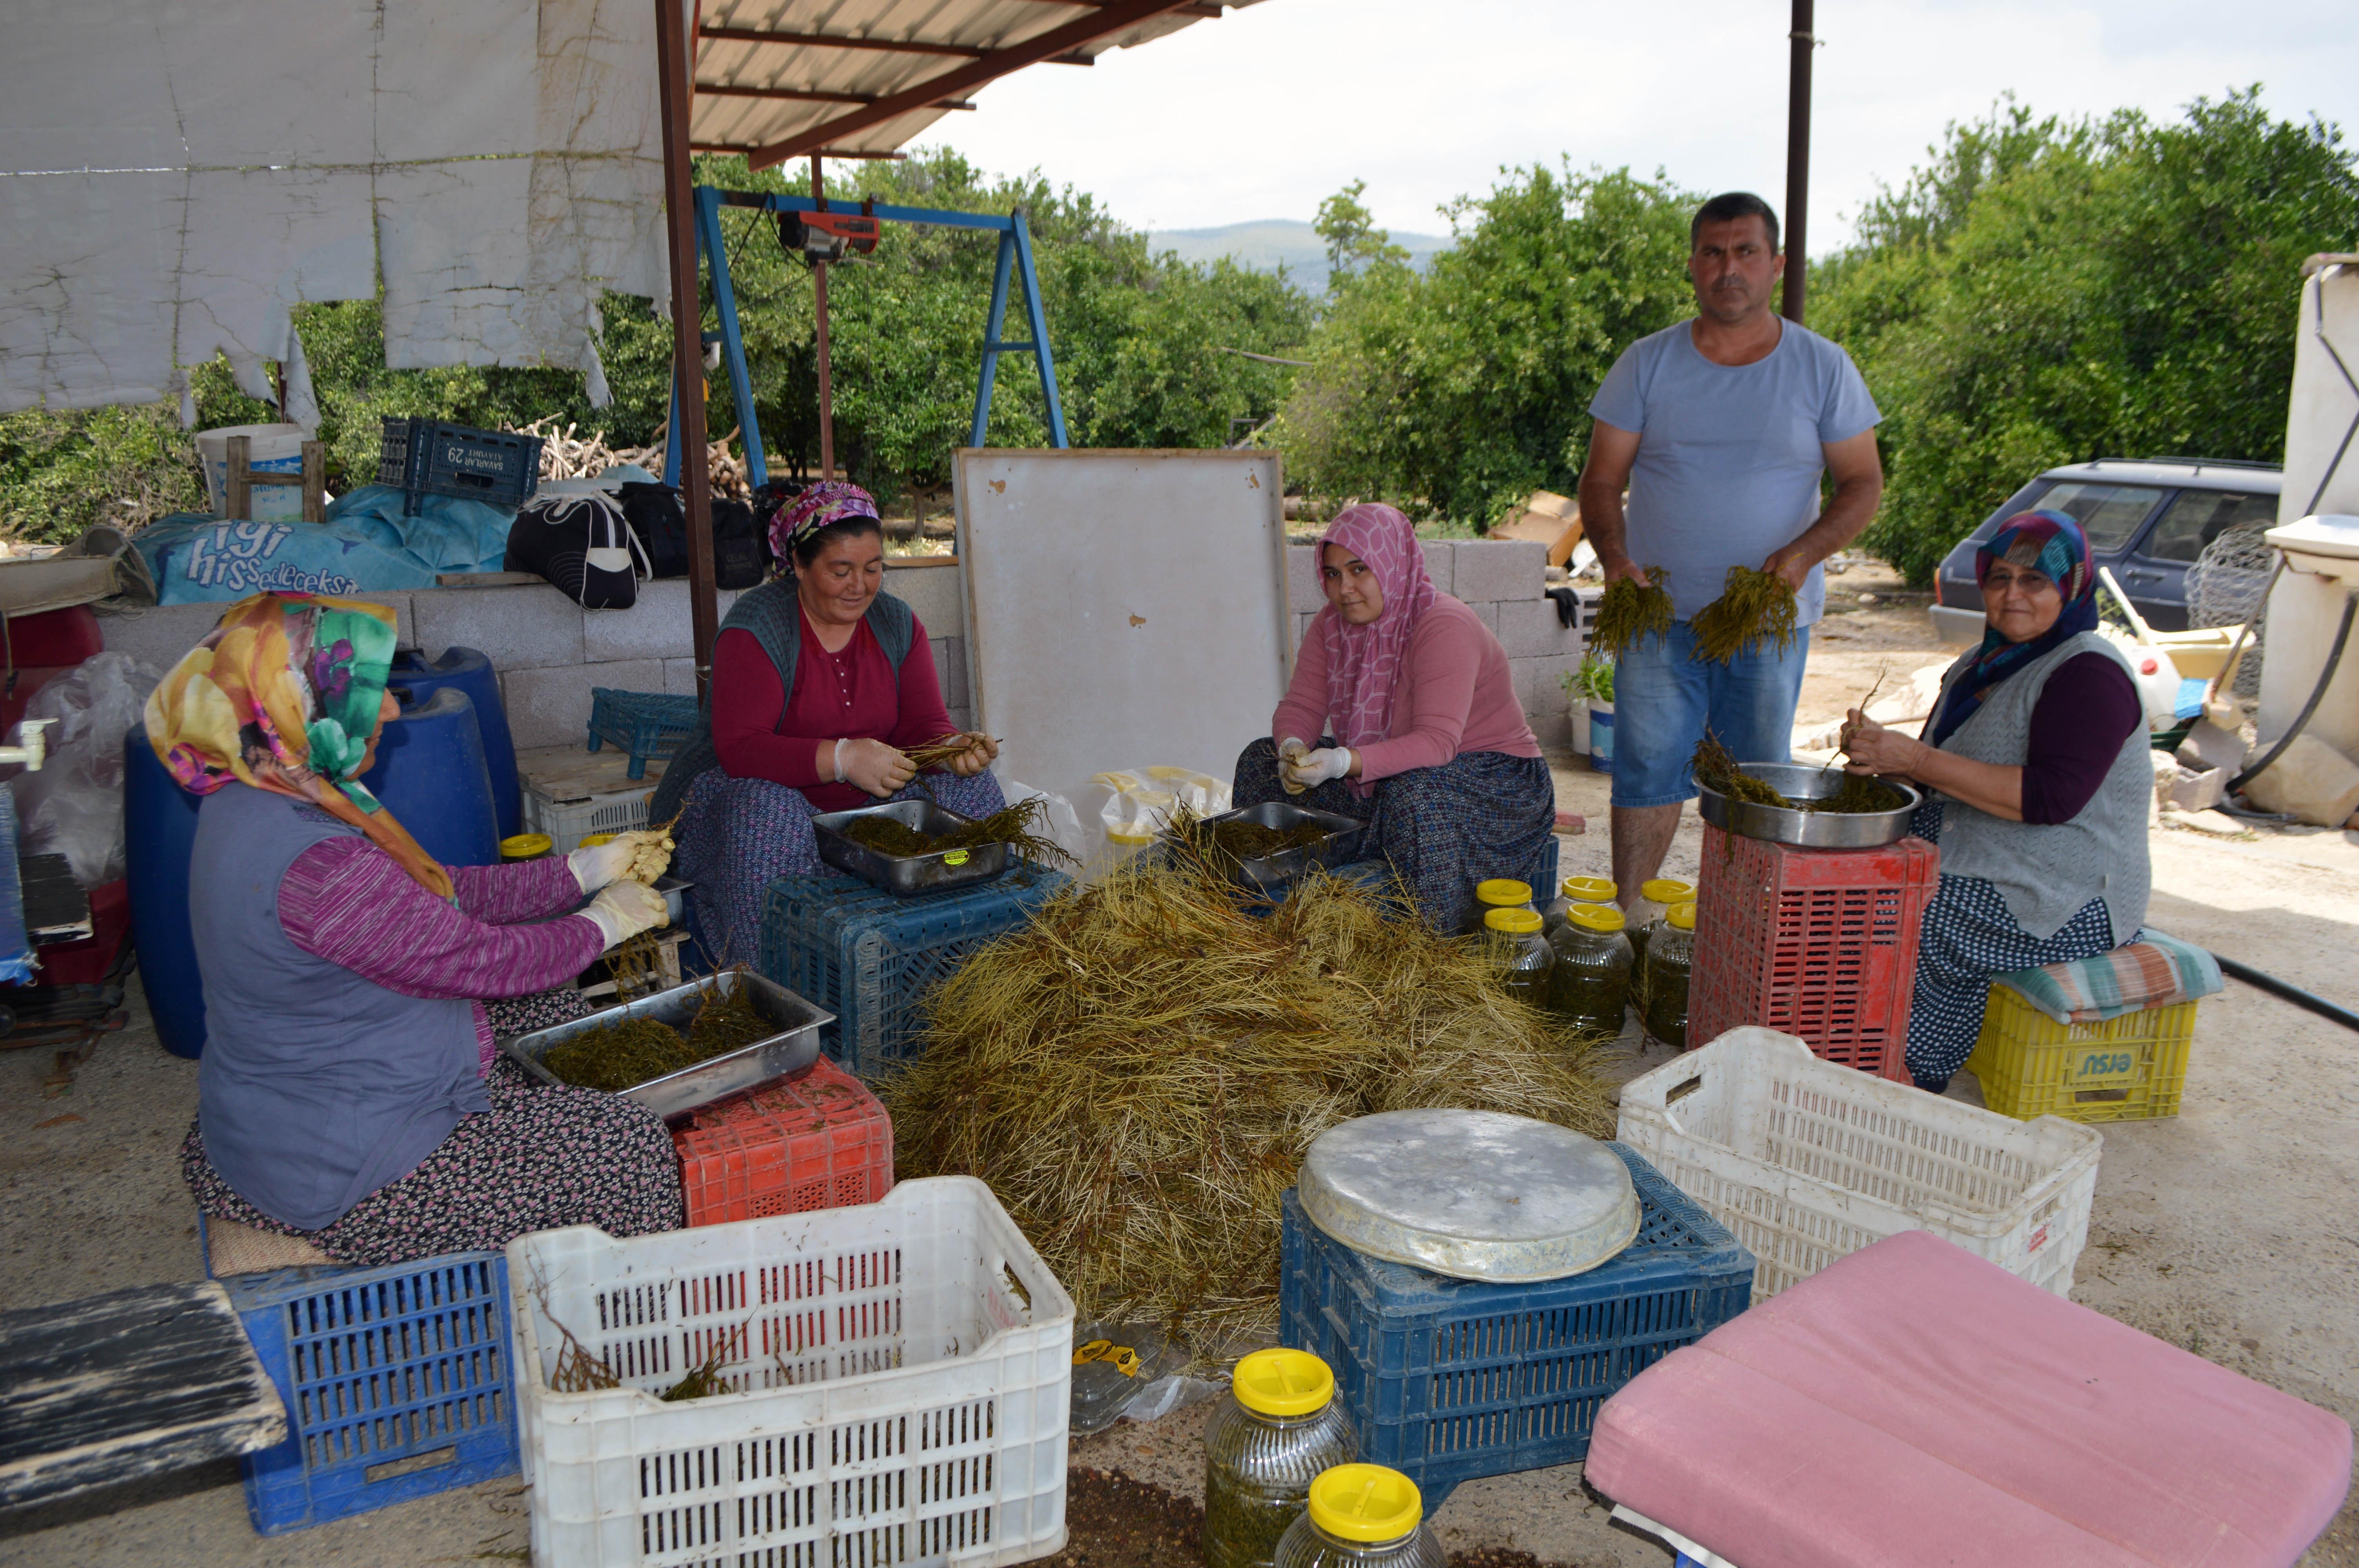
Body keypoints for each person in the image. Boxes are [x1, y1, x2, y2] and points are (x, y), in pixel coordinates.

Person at [157, 593, 685, 1265]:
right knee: (626, 1145)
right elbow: (485, 962)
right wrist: (603, 925)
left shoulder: (261, 787)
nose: (390, 711)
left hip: (294, 1102)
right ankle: (632, 1345)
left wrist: (580, 872)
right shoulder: (320, 866)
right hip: (350, 1165)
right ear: (292, 703)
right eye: (363, 693)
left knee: (548, 1008)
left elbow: (435, 895)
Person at [1577, 191, 1885, 906]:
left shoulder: (1822, 367)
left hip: (1767, 621)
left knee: (1751, 782)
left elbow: (1862, 483)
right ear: (1692, 266)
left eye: (1746, 252)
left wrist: (1803, 555)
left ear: (1776, 264)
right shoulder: (1646, 364)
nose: (1729, 269)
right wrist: (1617, 559)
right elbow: (1600, 479)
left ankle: (1737, 927)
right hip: (1655, 615)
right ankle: (1630, 923)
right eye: (1713, 253)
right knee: (1648, 770)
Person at [1841, 511, 2152, 1093]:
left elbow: (2050, 799)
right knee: (1844, 881)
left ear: (2071, 587)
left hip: (2070, 891)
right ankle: (1846, 1039)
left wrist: (1914, 760)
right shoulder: (1976, 665)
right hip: (1985, 847)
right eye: (2000, 578)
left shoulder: (2089, 675)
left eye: (2035, 581)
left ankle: (1913, 1078)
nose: (2012, 596)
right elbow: (1939, 775)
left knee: (1919, 918)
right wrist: (1880, 750)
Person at [656, 481, 999, 964]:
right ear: (798, 565)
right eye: (841, 570)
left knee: (971, 790)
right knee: (769, 813)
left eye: (873, 569)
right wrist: (842, 757)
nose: (859, 585)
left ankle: (961, 957)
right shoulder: (758, 626)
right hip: (740, 803)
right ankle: (778, 979)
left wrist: (952, 748)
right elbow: (740, 749)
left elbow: (923, 726)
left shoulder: (895, 623)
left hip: (857, 811)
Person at [1232, 502, 1552, 932]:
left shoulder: (1443, 624)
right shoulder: (1331, 626)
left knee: (1412, 795)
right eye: (1332, 574)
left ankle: (1426, 930)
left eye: (1359, 569)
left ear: (1392, 563)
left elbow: (1437, 743)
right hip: (1392, 775)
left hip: (1492, 780)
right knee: (1259, 761)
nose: (1344, 588)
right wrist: (1293, 747)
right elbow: (1302, 707)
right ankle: (1271, 880)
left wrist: (1342, 762)